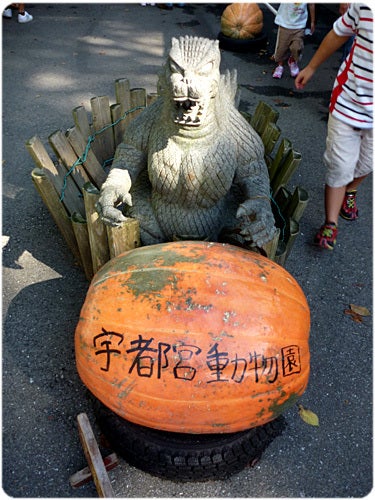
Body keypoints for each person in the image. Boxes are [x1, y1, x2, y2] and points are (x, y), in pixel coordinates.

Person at [295, 3, 373, 250]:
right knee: (340, 165)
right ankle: (330, 222)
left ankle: (350, 191)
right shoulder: (365, 6)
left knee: (367, 164)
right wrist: (311, 66)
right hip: (349, 99)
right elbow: (339, 32)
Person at [272, 3, 316, 79]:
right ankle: (280, 66)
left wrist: (312, 21)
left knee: (297, 47)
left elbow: (311, 4)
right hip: (285, 24)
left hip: (300, 25)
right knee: (282, 48)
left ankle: (292, 60)